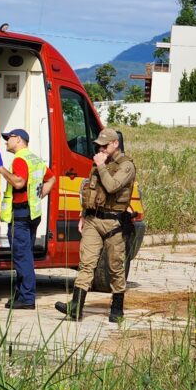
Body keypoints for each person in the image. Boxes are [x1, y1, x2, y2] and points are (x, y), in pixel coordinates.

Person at [55, 127, 136, 323]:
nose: (100, 149)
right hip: (93, 219)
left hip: (113, 222)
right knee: (86, 264)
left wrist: (100, 166)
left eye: (104, 146)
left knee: (115, 267)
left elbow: (112, 186)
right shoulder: (98, 163)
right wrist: (83, 215)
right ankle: (76, 307)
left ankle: (117, 308)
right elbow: (92, 190)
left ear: (115, 144)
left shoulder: (126, 166)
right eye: (98, 146)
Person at [0, 129, 55, 310]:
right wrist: (38, 197)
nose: (6, 141)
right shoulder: (35, 159)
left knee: (22, 257)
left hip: (21, 215)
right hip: (32, 214)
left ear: (19, 139)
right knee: (26, 255)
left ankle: (27, 298)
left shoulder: (20, 159)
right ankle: (20, 294)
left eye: (9, 138)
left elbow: (19, 182)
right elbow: (51, 178)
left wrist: (0, 169)